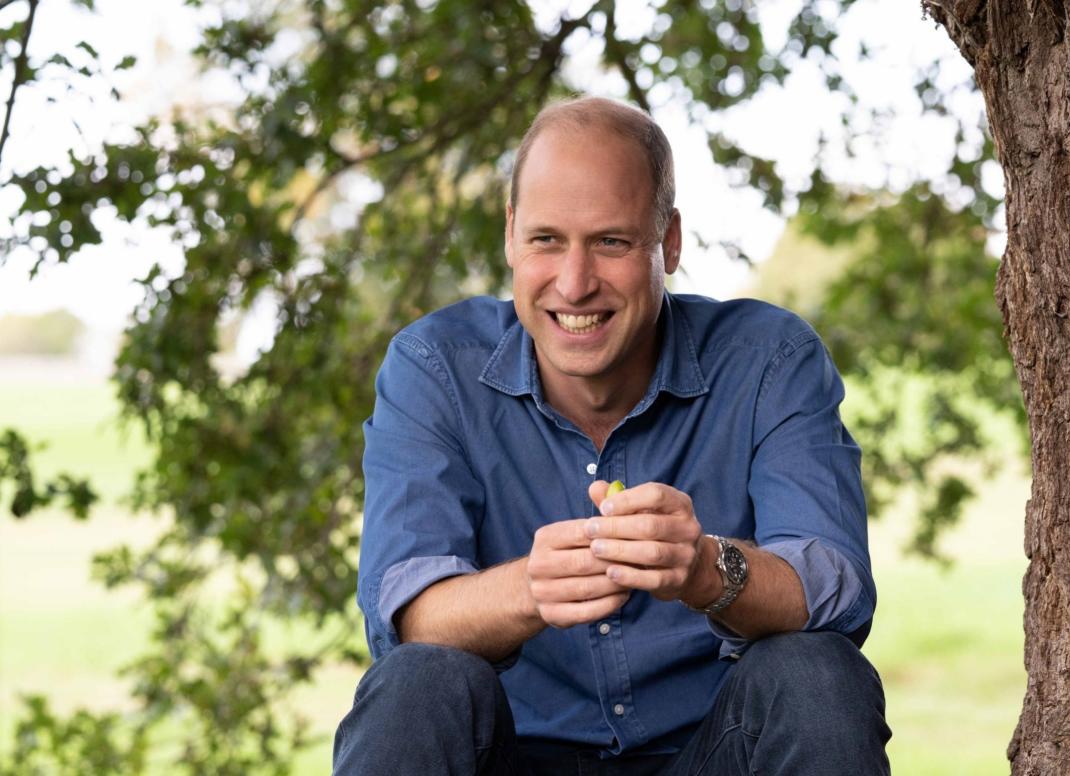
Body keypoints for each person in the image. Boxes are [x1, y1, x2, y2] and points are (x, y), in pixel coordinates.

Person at [333, 96, 891, 775]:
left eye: (611, 242)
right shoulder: (434, 367)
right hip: (512, 759)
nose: (574, 283)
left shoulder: (769, 358)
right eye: (546, 240)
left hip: (712, 755)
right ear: (511, 236)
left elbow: (836, 588)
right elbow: (404, 613)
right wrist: (531, 590)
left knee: (816, 671)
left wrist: (705, 570)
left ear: (670, 241)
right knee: (418, 683)